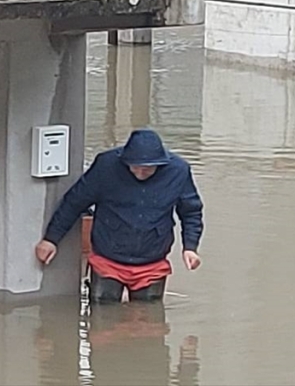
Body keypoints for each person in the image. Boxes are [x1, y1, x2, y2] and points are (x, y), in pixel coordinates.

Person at [35, 128, 204, 304]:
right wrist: (51, 239)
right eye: (135, 168)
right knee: (102, 320)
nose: (140, 173)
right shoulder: (105, 166)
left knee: (149, 321)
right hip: (107, 259)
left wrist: (190, 247)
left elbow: (191, 211)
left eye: (147, 170)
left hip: (152, 262)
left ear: (160, 164)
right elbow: (75, 202)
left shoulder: (179, 171)